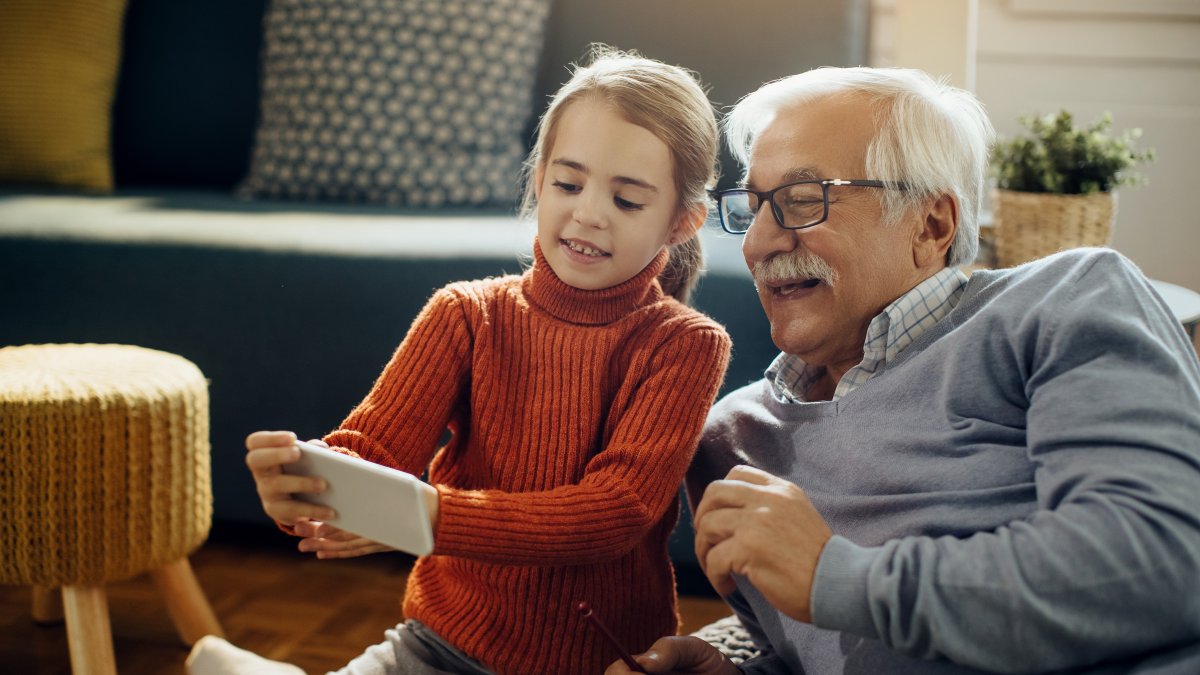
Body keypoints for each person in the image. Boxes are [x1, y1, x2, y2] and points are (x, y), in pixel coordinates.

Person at [607, 66, 1200, 674]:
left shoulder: (1065, 300)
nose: (758, 243)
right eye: (753, 207)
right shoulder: (732, 440)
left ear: (930, 224)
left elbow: (1165, 566)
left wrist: (837, 577)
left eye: (802, 200)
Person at [187, 48, 732, 675]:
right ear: (539, 180)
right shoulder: (465, 314)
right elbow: (374, 448)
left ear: (682, 222)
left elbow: (615, 511)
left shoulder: (686, 345)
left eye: (628, 200)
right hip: (440, 642)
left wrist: (432, 515)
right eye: (568, 184)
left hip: (601, 660)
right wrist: (313, 485)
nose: (588, 213)